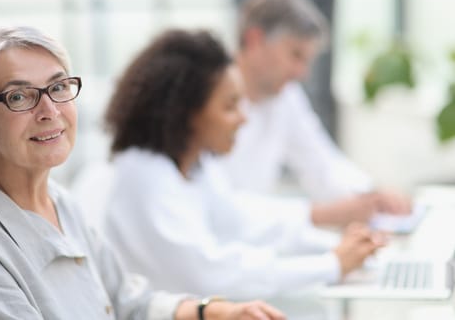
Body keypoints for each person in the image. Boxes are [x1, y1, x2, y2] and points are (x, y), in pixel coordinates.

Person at [0, 25, 286, 320]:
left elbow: (126, 302)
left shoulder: (60, 203)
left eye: (57, 87)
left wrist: (214, 311)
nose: (50, 110)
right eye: (20, 97)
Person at [103, 29, 384, 301]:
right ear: (185, 112)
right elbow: (214, 274)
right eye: (230, 106)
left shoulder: (196, 166)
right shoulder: (146, 178)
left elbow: (242, 223)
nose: (243, 118)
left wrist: (336, 248)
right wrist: (330, 264)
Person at [219, 0, 410, 226]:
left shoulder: (285, 97)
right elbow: (220, 206)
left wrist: (372, 195)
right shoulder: (206, 100)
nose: (302, 73)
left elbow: (321, 163)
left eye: (307, 61)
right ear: (254, 40)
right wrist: (319, 215)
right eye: (295, 55)